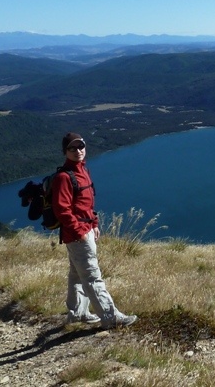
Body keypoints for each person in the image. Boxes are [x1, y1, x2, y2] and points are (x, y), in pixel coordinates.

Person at [52, 132, 138, 329]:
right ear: (65, 151)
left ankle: (78, 313)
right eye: (72, 148)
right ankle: (111, 317)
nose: (78, 151)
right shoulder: (64, 177)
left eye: (80, 146)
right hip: (77, 234)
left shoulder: (82, 171)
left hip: (85, 229)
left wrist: (95, 224)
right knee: (91, 275)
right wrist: (80, 231)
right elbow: (62, 210)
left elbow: (87, 203)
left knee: (76, 274)